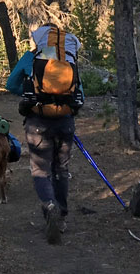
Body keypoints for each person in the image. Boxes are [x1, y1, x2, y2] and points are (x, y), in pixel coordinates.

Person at [6, 22, 84, 244]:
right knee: (61, 169)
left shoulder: (32, 58)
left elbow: (11, 84)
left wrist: (31, 92)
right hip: (65, 122)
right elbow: (80, 93)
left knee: (41, 170)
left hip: (38, 121)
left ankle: (49, 205)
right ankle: (62, 216)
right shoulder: (68, 59)